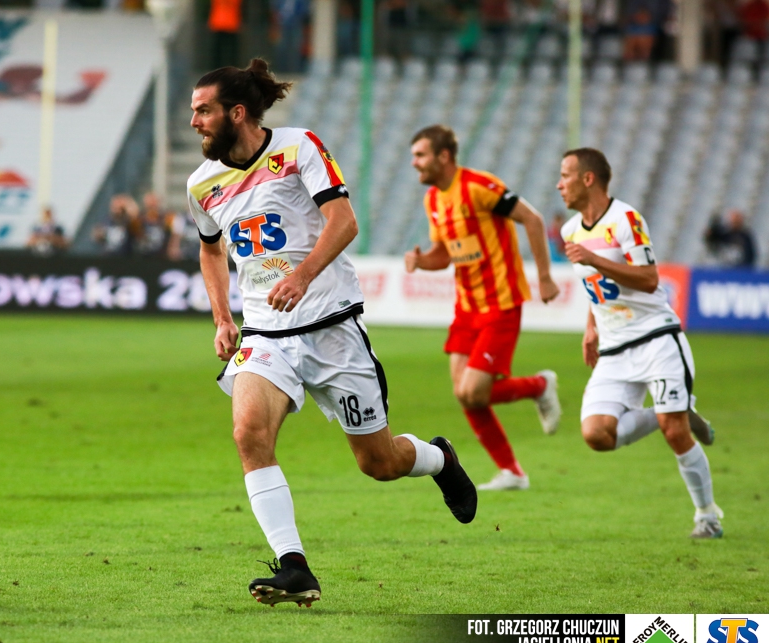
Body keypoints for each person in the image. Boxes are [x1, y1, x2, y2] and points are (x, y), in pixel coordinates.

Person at [187, 59, 478, 608]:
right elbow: (210, 250)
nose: (195, 121)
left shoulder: (298, 147)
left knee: (379, 463)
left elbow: (344, 221)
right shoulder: (201, 183)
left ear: (237, 112)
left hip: (332, 327)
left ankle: (439, 457)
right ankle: (294, 566)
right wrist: (223, 316)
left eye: (204, 110)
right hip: (266, 334)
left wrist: (301, 276)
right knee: (249, 433)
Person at [557, 148, 722, 539]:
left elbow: (649, 279)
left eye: (565, 175)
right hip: (614, 347)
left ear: (588, 179)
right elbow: (595, 287)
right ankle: (680, 409)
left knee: (674, 432)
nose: (559, 184)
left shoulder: (625, 219)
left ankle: (707, 517)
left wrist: (595, 259)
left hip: (656, 339)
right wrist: (591, 327)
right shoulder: (570, 230)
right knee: (596, 434)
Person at [405, 125, 562, 491]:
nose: (414, 163)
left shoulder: (478, 186)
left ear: (443, 156)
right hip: (467, 306)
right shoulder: (433, 200)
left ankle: (540, 386)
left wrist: (545, 276)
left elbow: (532, 219)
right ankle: (512, 472)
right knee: (464, 393)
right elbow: (445, 254)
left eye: (421, 155)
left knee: (474, 391)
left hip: (501, 302)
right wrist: (422, 261)